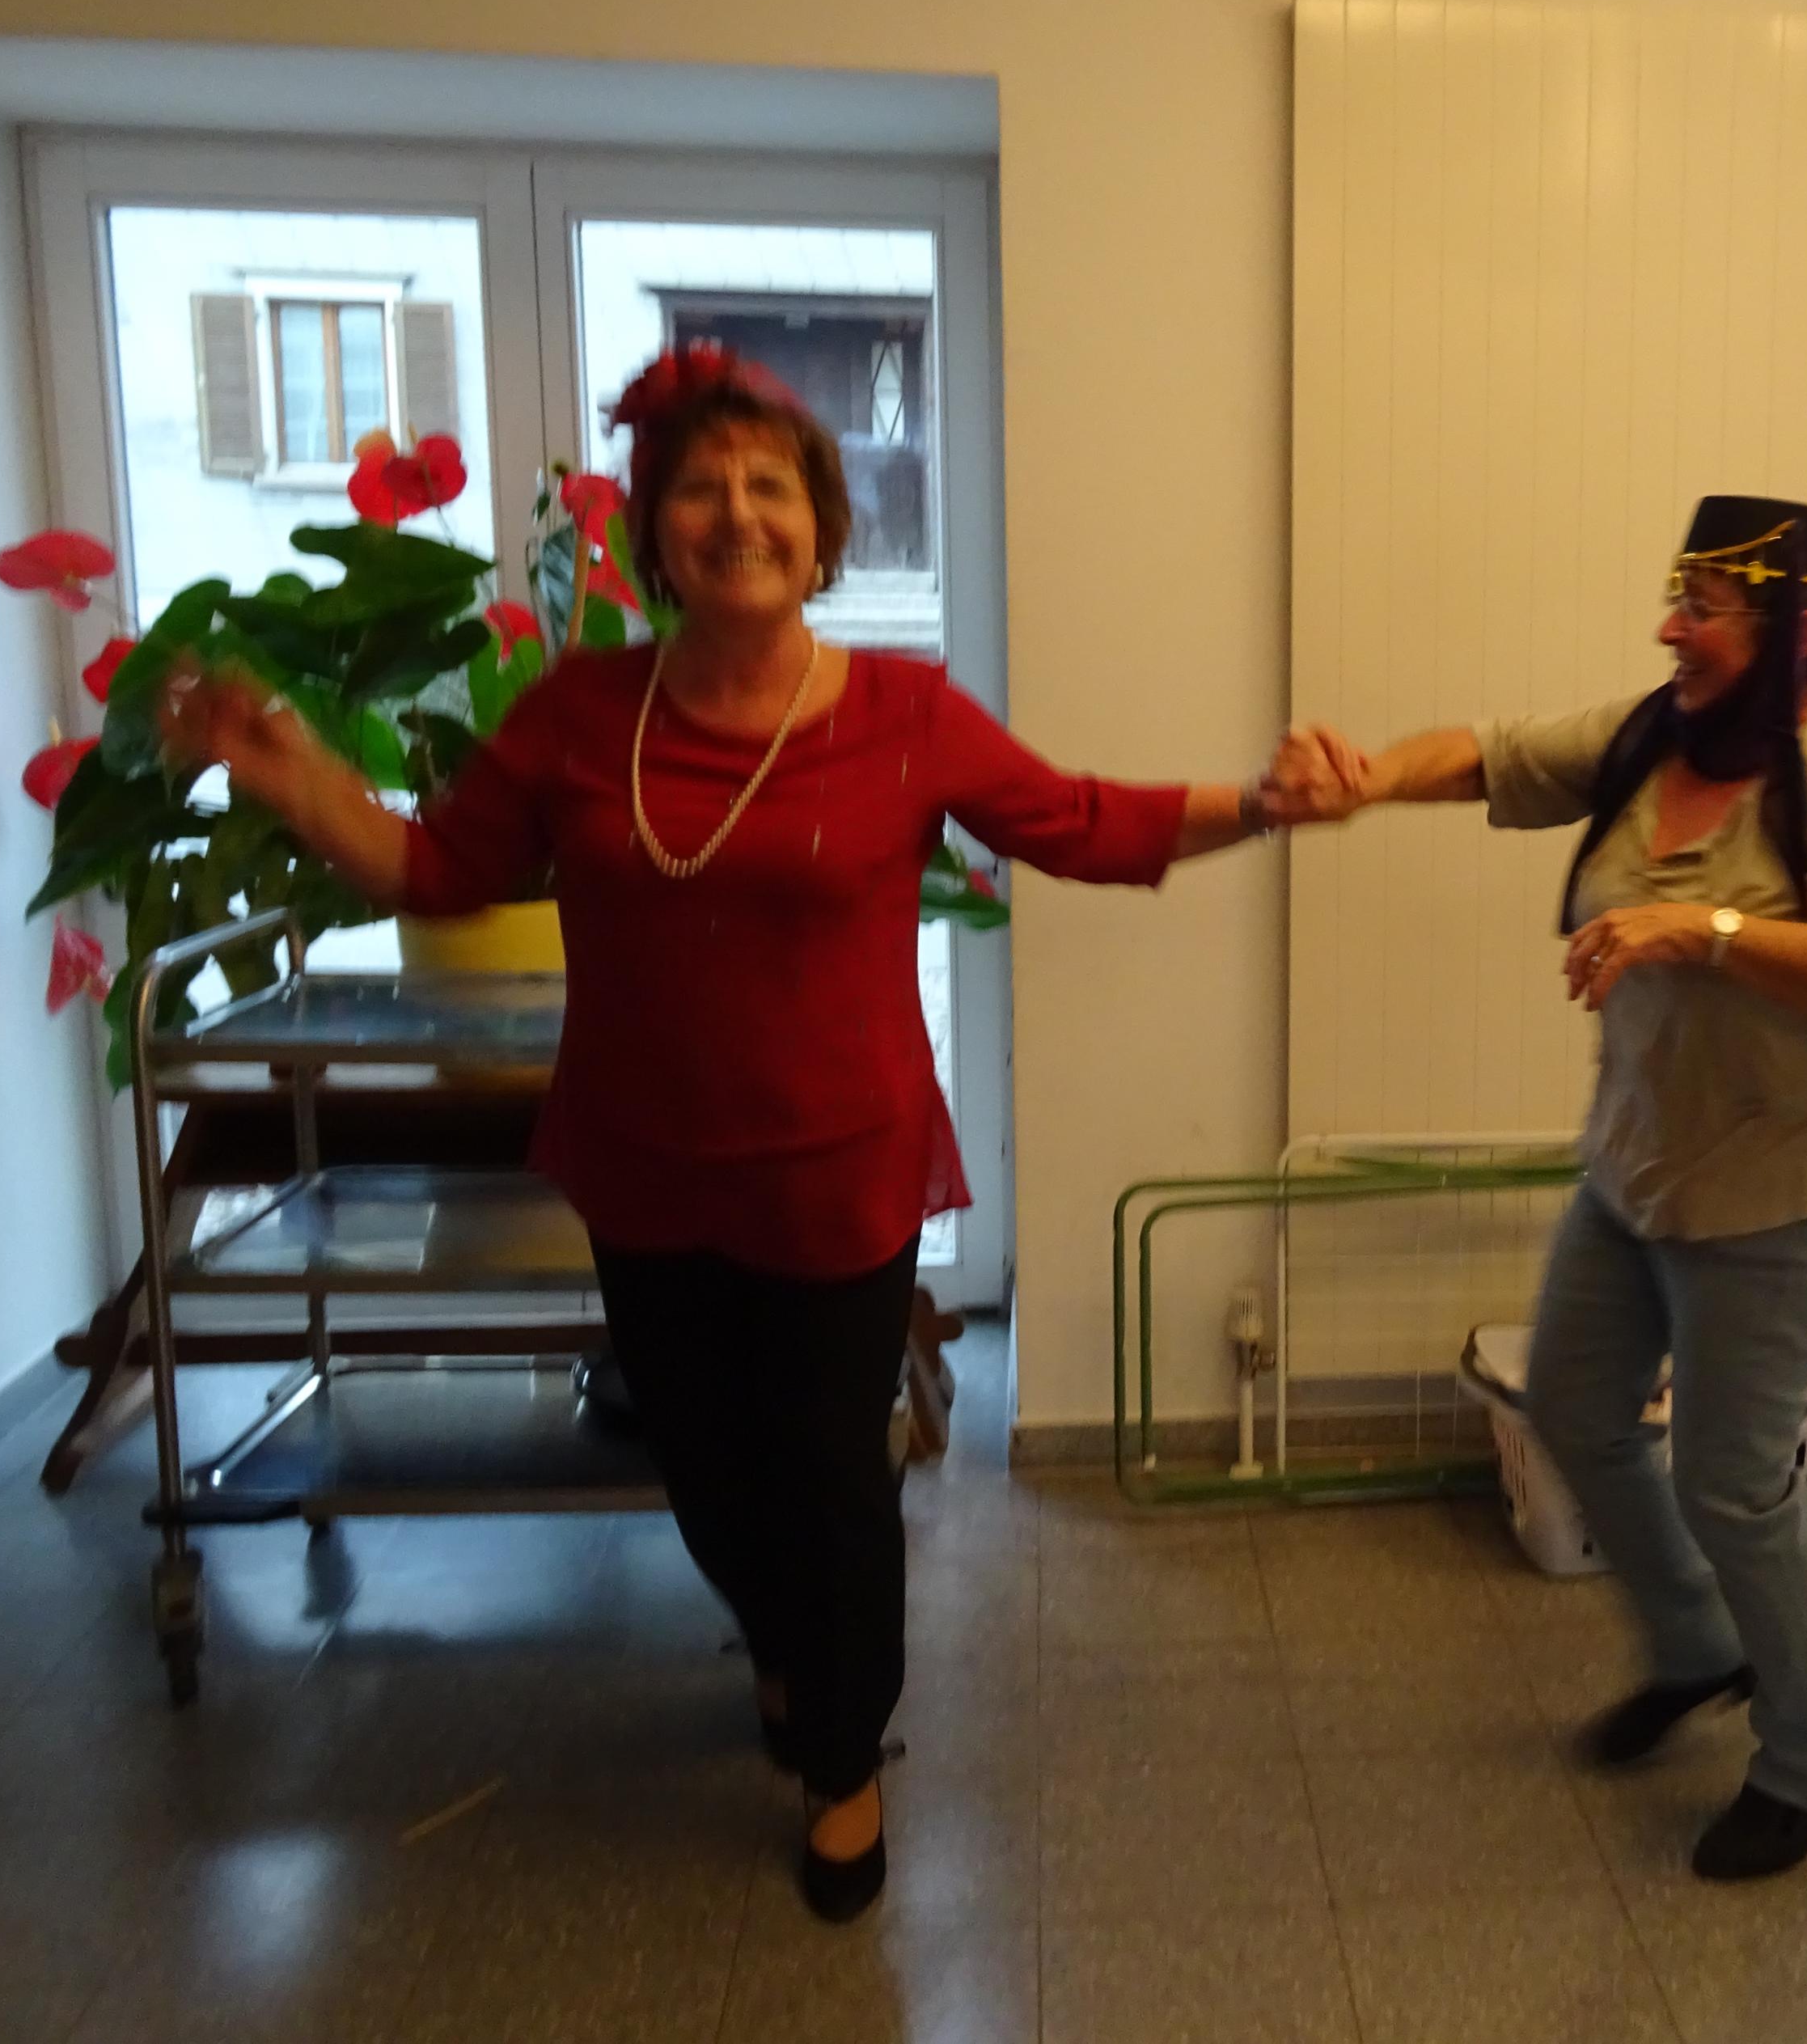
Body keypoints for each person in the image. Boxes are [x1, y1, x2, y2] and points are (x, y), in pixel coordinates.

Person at [163, 343, 1314, 1922]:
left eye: (771, 485)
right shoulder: (581, 715)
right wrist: (291, 773)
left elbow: (1082, 824)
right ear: (656, 532)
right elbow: (439, 873)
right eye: (699, 487)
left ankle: (841, 1764)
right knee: (704, 1471)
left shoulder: (903, 712)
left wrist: (1261, 801)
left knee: (831, 1478)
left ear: (823, 530)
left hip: (839, 1171)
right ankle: (785, 1642)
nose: (737, 513)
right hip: (643, 1168)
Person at [1272, 496, 1807, 1881]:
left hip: (1785, 1186)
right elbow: (1494, 753)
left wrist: (1703, 926)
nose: (1668, 628)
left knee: (1733, 1479)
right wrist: (1366, 778)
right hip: (1639, 1164)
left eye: (1705, 607)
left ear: (1803, 630)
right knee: (1574, 1403)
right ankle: (1700, 1644)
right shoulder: (1656, 736)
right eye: (1676, 595)